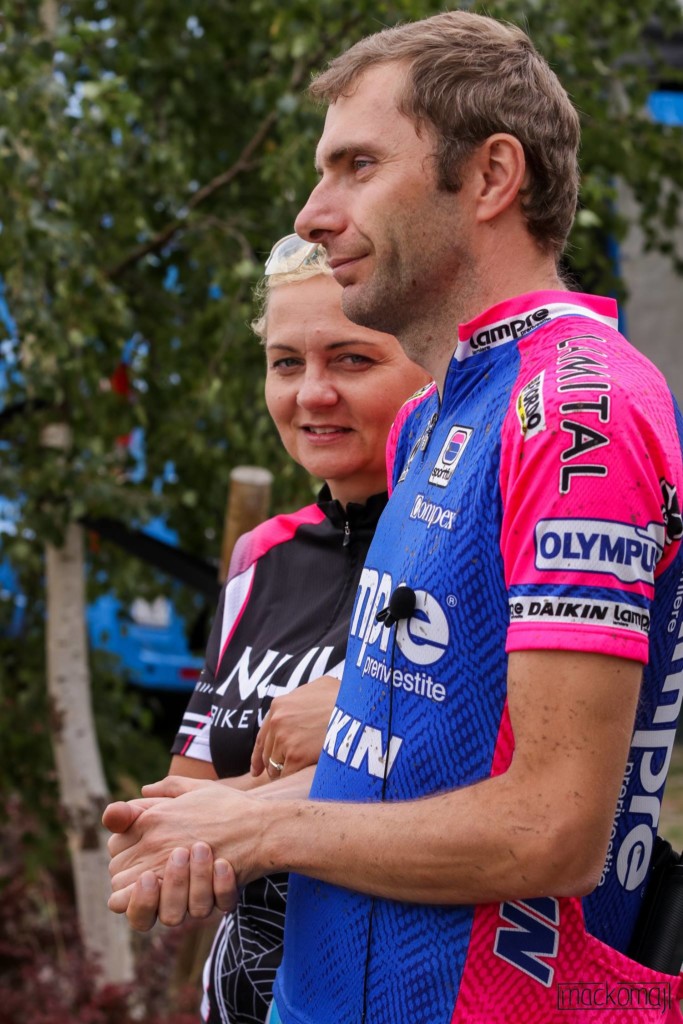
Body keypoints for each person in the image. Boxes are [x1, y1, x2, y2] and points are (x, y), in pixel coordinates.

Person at [105, 11, 683, 1023]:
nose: (313, 212)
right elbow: (413, 761)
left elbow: (553, 829)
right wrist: (222, 807)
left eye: (357, 166)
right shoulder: (434, 411)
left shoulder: (578, 407)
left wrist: (261, 833)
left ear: (491, 176)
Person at [144, 235, 429, 1024]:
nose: (311, 394)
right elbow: (185, 802)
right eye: (284, 363)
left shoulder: (470, 542)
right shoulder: (260, 556)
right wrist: (163, 842)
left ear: (430, 364)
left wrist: (352, 708)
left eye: (351, 360)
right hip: (246, 995)